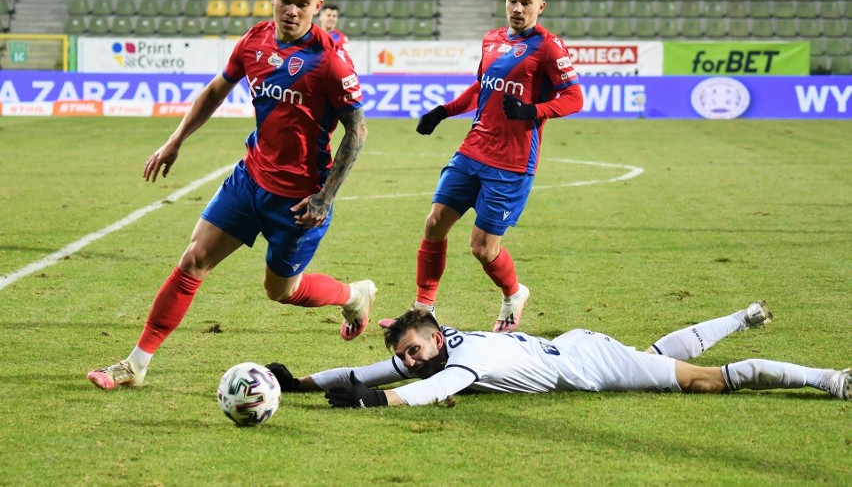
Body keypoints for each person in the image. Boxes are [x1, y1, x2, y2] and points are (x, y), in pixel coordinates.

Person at [88, 0, 375, 390]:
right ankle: (135, 364)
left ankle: (354, 295)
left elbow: (358, 130)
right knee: (194, 259)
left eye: (302, 3)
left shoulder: (330, 62)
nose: (291, 10)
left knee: (281, 291)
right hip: (250, 178)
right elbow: (215, 90)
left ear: (317, 6)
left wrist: (326, 195)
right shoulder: (255, 42)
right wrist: (175, 140)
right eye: (284, 0)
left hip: (298, 200)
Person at [409, 0, 584, 333]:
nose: (517, 8)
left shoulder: (549, 47)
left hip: (512, 163)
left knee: (482, 248)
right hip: (473, 149)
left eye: (526, 3)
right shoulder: (491, 40)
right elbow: (481, 88)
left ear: (541, 6)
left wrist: (533, 111)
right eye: (512, 0)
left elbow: (575, 98)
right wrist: (443, 111)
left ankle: (513, 293)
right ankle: (423, 309)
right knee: (434, 223)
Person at [267, 301, 851, 407]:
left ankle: (830, 379)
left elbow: (424, 391)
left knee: (704, 382)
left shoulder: (462, 363)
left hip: (590, 365)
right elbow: (373, 369)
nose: (411, 359)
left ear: (437, 339)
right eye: (408, 355)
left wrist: (375, 403)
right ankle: (743, 316)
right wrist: (300, 384)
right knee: (655, 359)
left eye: (415, 350)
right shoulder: (442, 348)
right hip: (575, 347)